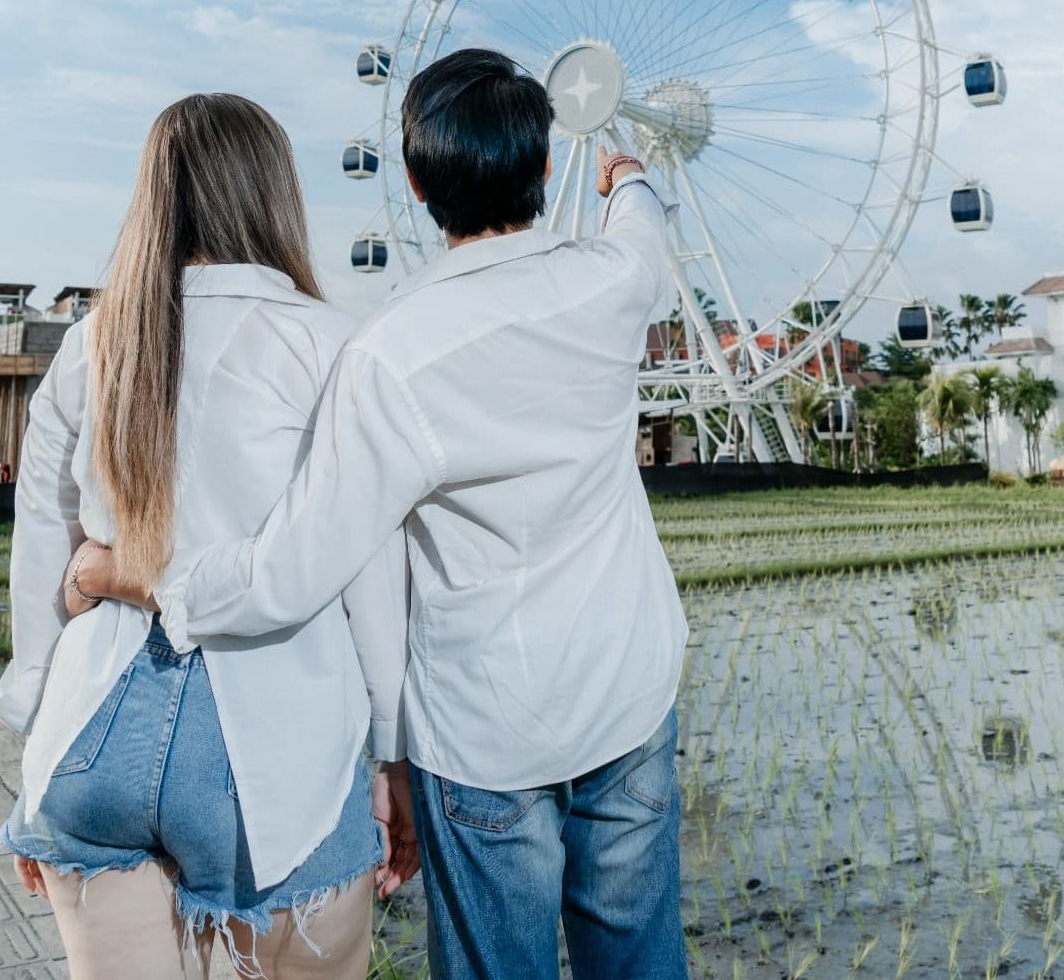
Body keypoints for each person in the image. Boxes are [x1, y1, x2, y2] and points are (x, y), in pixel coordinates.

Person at [73, 49, 691, 980]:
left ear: (412, 180)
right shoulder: (611, 282)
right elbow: (646, 233)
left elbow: (288, 573)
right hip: (630, 691)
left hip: (488, 733)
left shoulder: (390, 353)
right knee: (643, 962)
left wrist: (131, 573)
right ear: (547, 165)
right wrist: (630, 176)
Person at [0, 93, 417, 980]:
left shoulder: (92, 344)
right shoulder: (331, 344)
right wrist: (394, 754)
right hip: (275, 740)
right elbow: (368, 570)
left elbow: (43, 542)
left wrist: (35, 743)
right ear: (272, 195)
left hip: (93, 730)